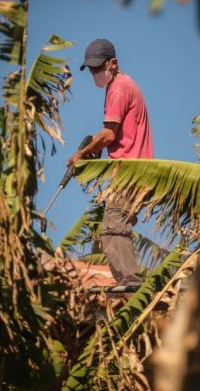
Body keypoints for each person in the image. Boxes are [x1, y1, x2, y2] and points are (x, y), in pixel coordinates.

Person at [66, 38, 154, 287]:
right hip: (137, 171)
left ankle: (129, 283)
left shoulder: (118, 88)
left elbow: (109, 135)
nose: (95, 73)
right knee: (117, 227)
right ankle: (129, 282)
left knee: (112, 228)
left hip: (129, 172)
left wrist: (81, 154)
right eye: (91, 69)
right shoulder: (126, 85)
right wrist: (92, 147)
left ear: (112, 63)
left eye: (98, 67)